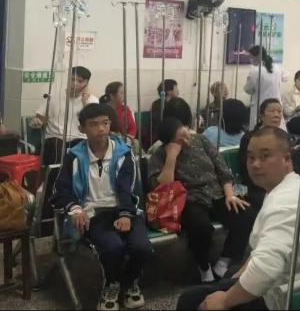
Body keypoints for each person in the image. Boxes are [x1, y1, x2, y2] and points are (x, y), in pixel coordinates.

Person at [176, 127, 300, 311]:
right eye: (251, 158)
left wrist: (225, 300)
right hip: (292, 283)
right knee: (231, 274)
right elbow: (262, 252)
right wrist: (236, 279)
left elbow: (265, 269)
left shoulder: (285, 203)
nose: (256, 164)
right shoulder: (289, 186)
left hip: (288, 297)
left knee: (190, 301)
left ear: (287, 159)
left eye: (265, 156)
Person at [51, 104, 153, 311]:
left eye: (105, 123)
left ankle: (130, 281)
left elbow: (128, 189)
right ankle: (112, 284)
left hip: (124, 209)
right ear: (82, 129)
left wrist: (125, 214)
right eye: (94, 124)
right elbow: (60, 191)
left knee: (142, 247)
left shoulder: (124, 154)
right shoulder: (73, 157)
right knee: (112, 247)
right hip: (92, 213)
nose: (101, 129)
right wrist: (75, 210)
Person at [148, 118, 255, 283]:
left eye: (185, 135)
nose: (186, 141)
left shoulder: (201, 140)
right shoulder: (160, 155)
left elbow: (222, 170)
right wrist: (171, 157)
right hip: (189, 198)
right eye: (179, 140)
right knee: (200, 227)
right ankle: (203, 266)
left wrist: (230, 195)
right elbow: (161, 186)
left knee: (246, 215)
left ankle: (224, 261)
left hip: (216, 193)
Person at [32, 66, 99, 165]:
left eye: (80, 81)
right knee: (57, 151)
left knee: (81, 154)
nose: (75, 84)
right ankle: (56, 174)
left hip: (80, 139)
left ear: (86, 84)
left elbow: (94, 124)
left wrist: (85, 104)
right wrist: (37, 122)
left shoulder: (92, 101)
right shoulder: (54, 97)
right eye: (72, 79)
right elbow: (40, 118)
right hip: (55, 138)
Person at [237, 99, 283, 210]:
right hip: (255, 186)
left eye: (279, 112)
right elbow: (245, 169)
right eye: (272, 111)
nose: (276, 115)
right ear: (261, 116)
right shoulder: (250, 138)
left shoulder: (282, 137)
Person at [244, 45, 283, 129]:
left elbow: (247, 89)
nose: (251, 59)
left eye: (252, 57)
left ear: (257, 56)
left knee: (259, 130)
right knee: (276, 130)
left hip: (260, 105)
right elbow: (286, 77)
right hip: (276, 104)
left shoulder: (256, 71)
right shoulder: (277, 68)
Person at [148, 79, 179, 148]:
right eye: (176, 88)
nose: (178, 90)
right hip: (160, 137)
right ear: (169, 91)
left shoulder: (175, 104)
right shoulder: (157, 105)